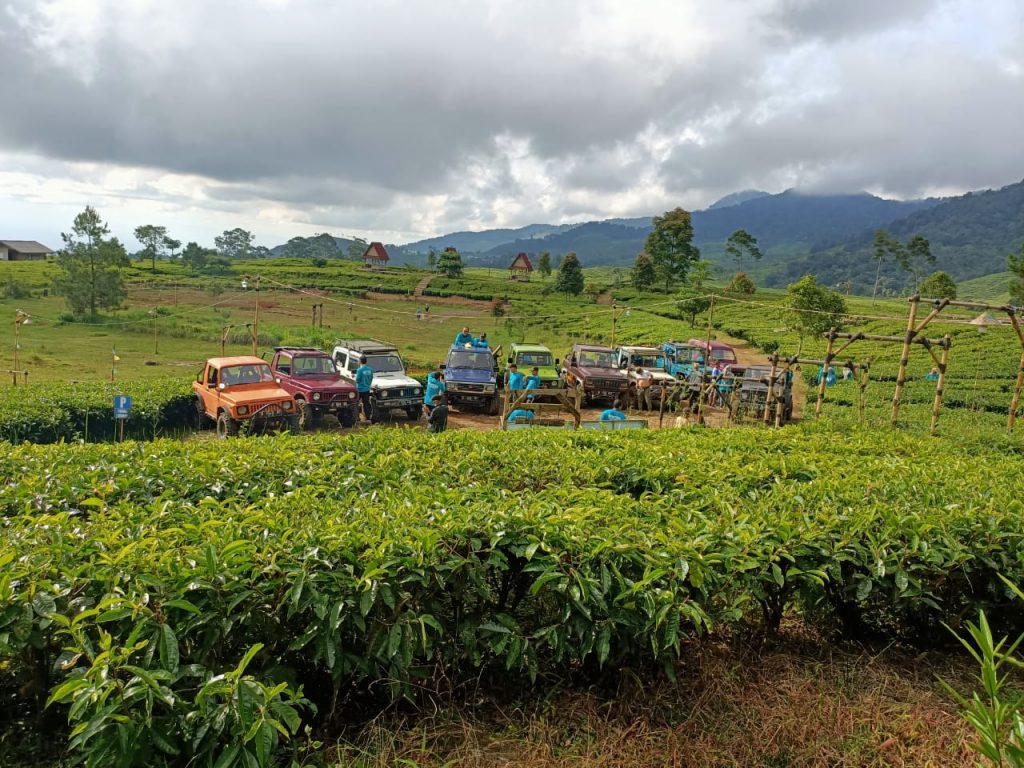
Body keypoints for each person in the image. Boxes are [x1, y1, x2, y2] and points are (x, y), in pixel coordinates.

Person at [354, 355, 374, 421]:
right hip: (367, 389)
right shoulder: (370, 369)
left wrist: (354, 377)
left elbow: (357, 380)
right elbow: (371, 378)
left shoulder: (359, 370)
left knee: (356, 404)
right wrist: (368, 384)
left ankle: (357, 418)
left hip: (359, 389)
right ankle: (368, 418)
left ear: (360, 361)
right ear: (366, 361)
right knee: (366, 404)